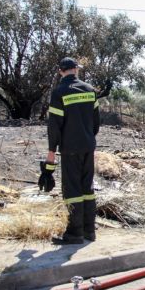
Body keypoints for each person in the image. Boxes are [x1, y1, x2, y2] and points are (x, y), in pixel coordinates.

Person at [45, 57, 100, 245]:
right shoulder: (90, 90)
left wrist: (51, 151)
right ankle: (89, 231)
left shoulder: (59, 92)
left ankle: (75, 234)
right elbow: (96, 123)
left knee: (72, 190)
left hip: (70, 148)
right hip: (88, 146)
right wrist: (88, 138)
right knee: (87, 188)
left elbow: (54, 125)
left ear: (61, 72)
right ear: (76, 69)